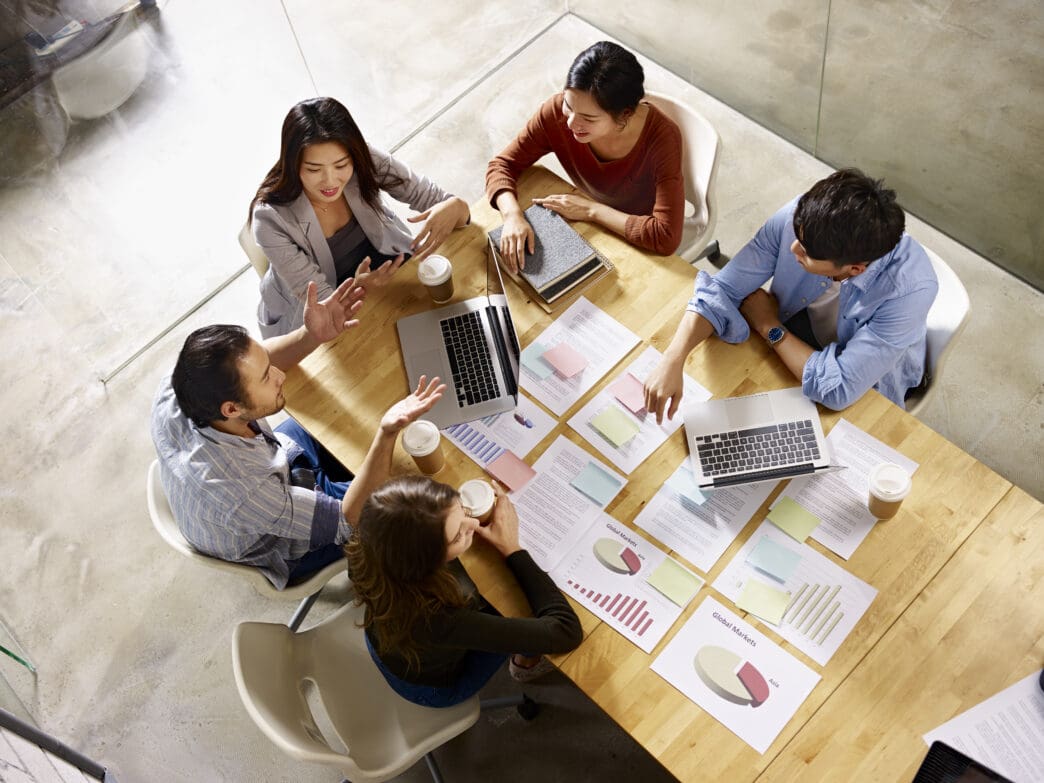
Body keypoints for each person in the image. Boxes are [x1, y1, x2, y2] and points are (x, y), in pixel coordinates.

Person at [151, 275, 446, 589]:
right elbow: (349, 522)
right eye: (266, 377)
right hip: (281, 541)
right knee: (419, 502)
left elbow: (258, 363)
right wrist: (387, 434)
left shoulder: (180, 384)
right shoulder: (245, 494)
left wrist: (311, 335)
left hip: (270, 467)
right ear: (232, 409)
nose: (280, 375)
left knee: (353, 424)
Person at [644, 168, 939, 419]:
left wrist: (769, 326)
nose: (792, 249)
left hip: (864, 382)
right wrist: (673, 358)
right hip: (798, 333)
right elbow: (723, 290)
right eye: (797, 237)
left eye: (807, 253)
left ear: (855, 269)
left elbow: (838, 390)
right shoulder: (803, 219)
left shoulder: (907, 292)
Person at [345, 477, 583, 706]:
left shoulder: (369, 545)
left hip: (387, 643)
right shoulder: (439, 618)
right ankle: (525, 665)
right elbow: (566, 632)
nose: (473, 524)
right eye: (458, 534)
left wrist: (450, 517)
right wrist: (512, 548)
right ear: (427, 564)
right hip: (432, 687)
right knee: (515, 611)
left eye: (461, 506)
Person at [251, 96, 471, 337]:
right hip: (317, 309)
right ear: (292, 165)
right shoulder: (269, 219)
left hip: (382, 270)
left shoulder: (362, 158)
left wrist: (455, 206)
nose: (330, 181)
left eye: (341, 165)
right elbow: (322, 304)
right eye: (314, 169)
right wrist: (359, 288)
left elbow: (433, 197)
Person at [486, 40, 684, 272]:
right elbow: (502, 165)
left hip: (633, 232)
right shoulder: (555, 113)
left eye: (588, 119)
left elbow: (665, 236)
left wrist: (591, 210)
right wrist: (511, 215)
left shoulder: (662, 139)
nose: (570, 123)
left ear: (625, 115)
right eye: (569, 106)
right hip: (588, 221)